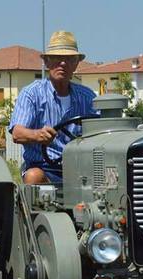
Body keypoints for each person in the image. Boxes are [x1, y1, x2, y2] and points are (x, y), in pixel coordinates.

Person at [9, 31, 97, 184]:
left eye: (69, 59)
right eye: (57, 58)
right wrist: (37, 135)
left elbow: (104, 131)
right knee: (33, 176)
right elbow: (17, 133)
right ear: (47, 62)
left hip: (82, 169)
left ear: (76, 64)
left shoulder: (88, 97)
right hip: (44, 168)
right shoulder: (32, 94)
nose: (63, 63)